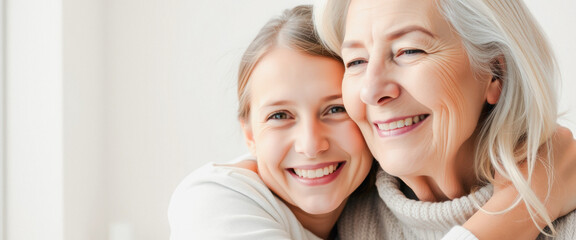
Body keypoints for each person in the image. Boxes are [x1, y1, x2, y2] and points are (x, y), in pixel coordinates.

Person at [313, 0, 576, 239]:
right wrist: (519, 209)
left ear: (494, 74)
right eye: (357, 61)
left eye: (410, 51)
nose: (371, 91)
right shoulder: (322, 216)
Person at [168, 5, 375, 239]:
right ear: (249, 135)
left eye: (336, 109)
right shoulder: (211, 199)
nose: (311, 145)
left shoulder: (386, 204)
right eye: (279, 116)